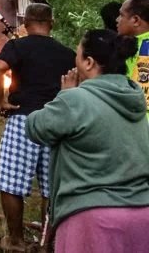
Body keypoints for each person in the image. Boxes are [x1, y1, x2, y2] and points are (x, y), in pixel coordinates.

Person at [26, 30, 149, 252]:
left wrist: (64, 95)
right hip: (141, 217)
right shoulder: (134, 97)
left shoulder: (75, 99)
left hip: (93, 220)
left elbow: (35, 127)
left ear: (89, 62)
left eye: (78, 53)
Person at [0, 3, 74, 252]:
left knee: (11, 182)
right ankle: (49, 242)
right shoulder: (67, 53)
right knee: (51, 186)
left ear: (25, 23)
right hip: (55, 121)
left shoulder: (17, 46)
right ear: (52, 23)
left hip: (22, 120)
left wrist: (0, 100)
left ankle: (15, 241)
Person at [116, 0, 149, 108]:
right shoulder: (135, 44)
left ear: (135, 20)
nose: (117, 20)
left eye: (121, 15)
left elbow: (141, 100)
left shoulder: (145, 50)